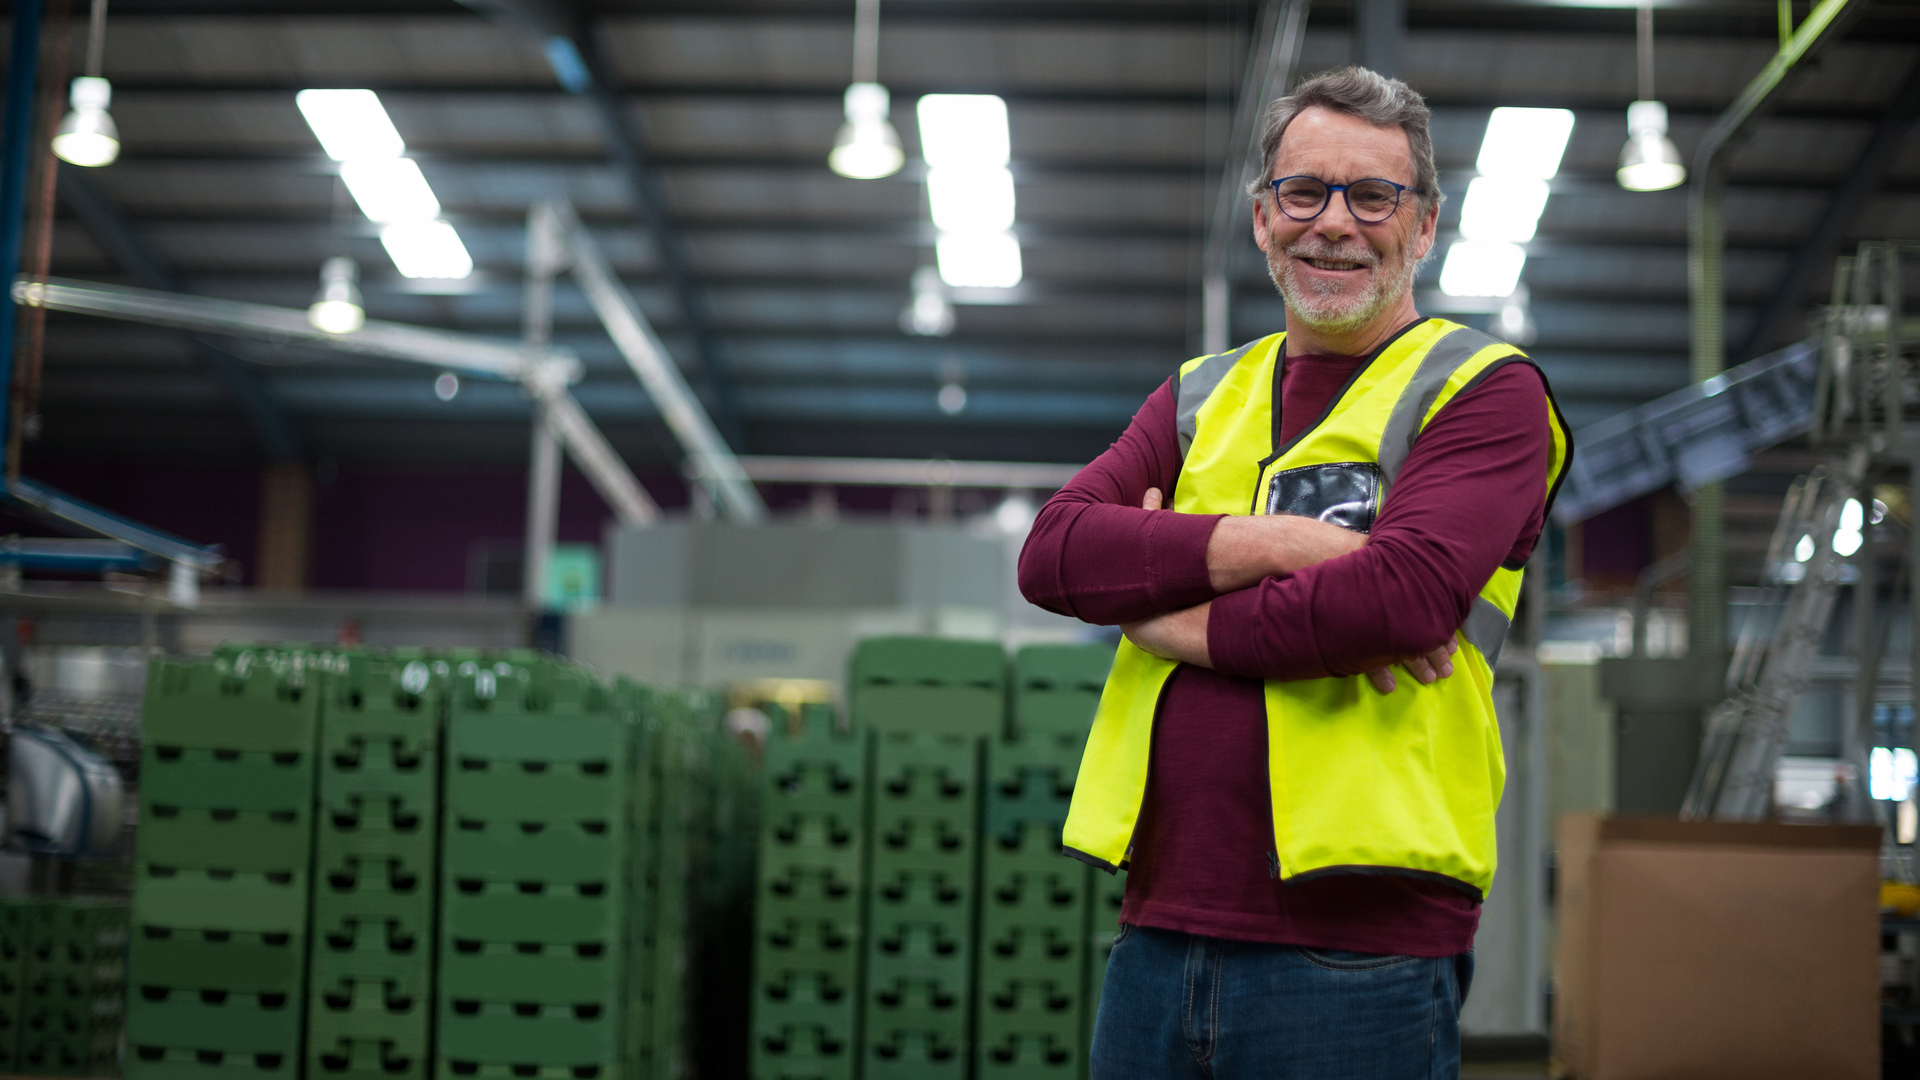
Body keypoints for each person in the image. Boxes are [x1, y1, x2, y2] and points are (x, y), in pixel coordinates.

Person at [1017, 67, 1572, 1079]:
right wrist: (1273, 546)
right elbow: (1054, 553)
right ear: (1265, 217)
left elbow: (1394, 599)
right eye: (1304, 191)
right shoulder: (1200, 396)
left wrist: (1165, 618)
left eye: (1373, 195)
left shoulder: (1485, 393)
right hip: (1156, 931)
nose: (1335, 223)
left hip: (1357, 948)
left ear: (1426, 224)